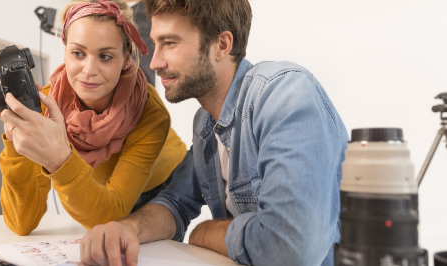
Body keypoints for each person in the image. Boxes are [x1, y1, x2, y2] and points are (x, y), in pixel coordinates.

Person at [79, 0, 349, 266]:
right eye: (155, 43)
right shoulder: (205, 124)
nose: (155, 62)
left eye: (170, 43)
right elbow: (176, 201)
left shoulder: (284, 94)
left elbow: (290, 249)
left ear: (221, 45)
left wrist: (202, 232)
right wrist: (129, 228)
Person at [0, 0, 187, 236]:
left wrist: (59, 160)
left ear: (127, 57)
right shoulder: (46, 103)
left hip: (160, 185)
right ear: (65, 50)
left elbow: (110, 214)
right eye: (78, 53)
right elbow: (21, 222)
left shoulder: (150, 112)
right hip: (100, 195)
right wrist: (16, 133)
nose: (89, 70)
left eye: (105, 56)